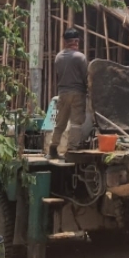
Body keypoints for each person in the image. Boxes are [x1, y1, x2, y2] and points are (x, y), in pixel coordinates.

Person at [48, 27, 89, 160]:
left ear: (65, 42)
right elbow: (86, 77)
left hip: (63, 93)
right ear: (76, 41)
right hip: (78, 93)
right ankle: (71, 149)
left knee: (60, 123)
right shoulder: (80, 57)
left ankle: (52, 149)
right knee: (76, 123)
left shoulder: (58, 57)